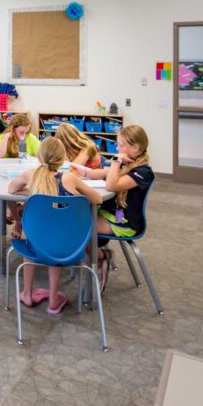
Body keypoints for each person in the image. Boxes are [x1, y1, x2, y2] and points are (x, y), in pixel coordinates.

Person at [8, 137, 101, 313]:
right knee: (56, 237)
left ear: (39, 156)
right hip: (69, 246)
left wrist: (31, 191)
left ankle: (27, 293)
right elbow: (97, 199)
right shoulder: (70, 179)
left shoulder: (31, 174)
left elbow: (11, 189)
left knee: (33, 239)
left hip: (36, 244)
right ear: (63, 158)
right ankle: (53, 298)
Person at [71, 125, 153, 293]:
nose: (117, 148)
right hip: (114, 213)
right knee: (75, 218)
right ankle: (96, 254)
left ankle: (101, 258)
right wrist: (85, 171)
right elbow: (102, 173)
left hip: (125, 222)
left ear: (135, 147)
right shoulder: (126, 164)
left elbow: (112, 184)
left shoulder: (143, 172)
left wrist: (116, 161)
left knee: (78, 227)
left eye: (121, 144)